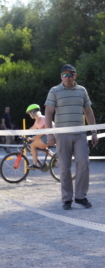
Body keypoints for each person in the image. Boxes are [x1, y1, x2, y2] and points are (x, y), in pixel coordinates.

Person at [45, 64, 99, 210]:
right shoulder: (54, 91)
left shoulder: (82, 90)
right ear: (60, 76)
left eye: (70, 74)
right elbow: (48, 112)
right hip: (62, 134)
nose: (67, 78)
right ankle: (67, 199)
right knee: (64, 167)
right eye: (64, 75)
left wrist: (94, 132)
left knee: (84, 163)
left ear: (75, 75)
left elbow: (88, 111)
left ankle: (81, 196)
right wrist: (50, 133)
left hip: (80, 133)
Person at [25, 104, 55, 169]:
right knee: (42, 148)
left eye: (29, 113)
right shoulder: (40, 118)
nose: (30, 115)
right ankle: (54, 158)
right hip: (54, 135)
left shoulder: (39, 119)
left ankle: (35, 164)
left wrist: (31, 139)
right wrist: (23, 133)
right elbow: (33, 128)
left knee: (32, 145)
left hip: (50, 136)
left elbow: (41, 133)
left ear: (33, 113)